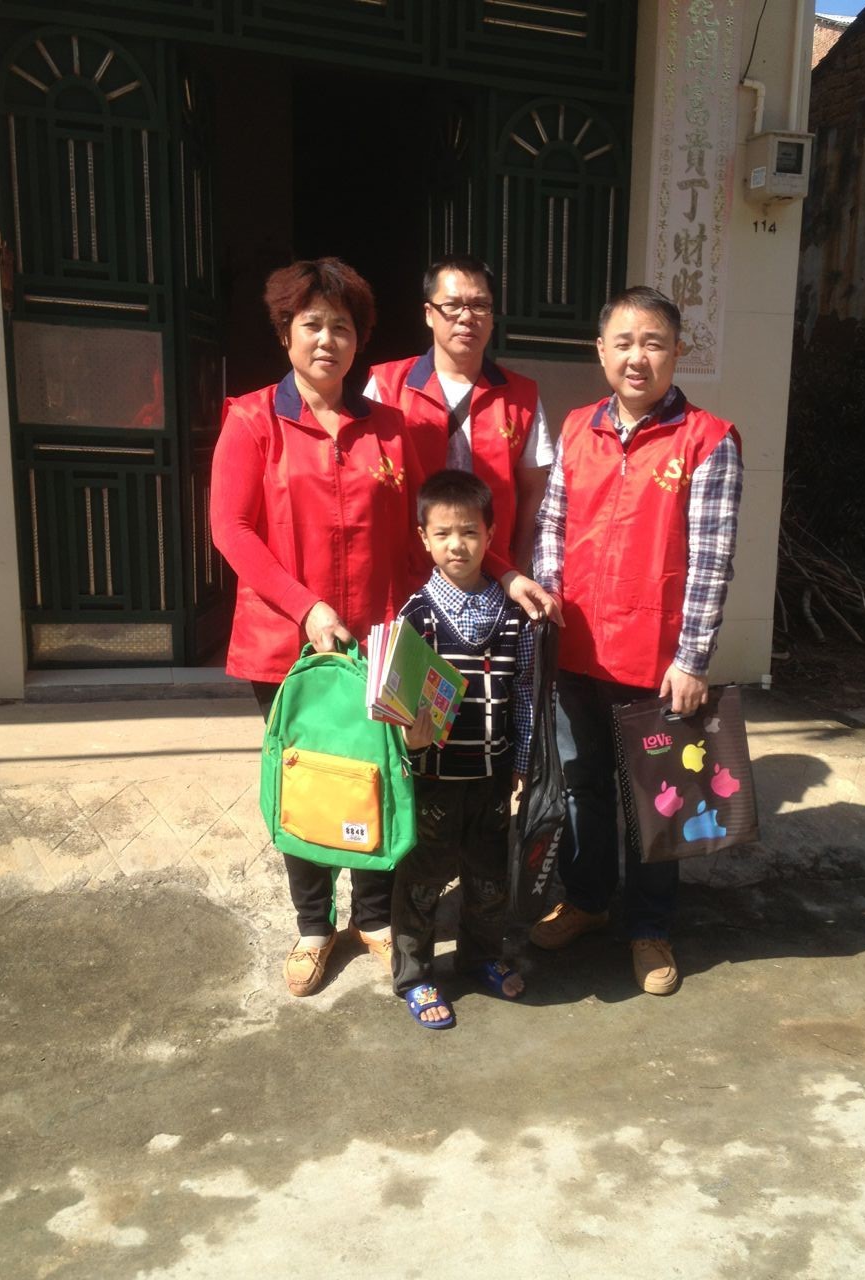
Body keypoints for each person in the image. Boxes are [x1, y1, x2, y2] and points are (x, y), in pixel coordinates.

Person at [210, 257, 426, 998]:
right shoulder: (252, 420)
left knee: (377, 775)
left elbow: (417, 535)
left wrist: (442, 608)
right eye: (312, 325)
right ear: (286, 334)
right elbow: (232, 529)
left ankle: (374, 915)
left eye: (342, 327)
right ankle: (312, 926)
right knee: (305, 781)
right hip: (286, 647)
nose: (327, 340)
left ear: (359, 340)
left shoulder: (389, 428)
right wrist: (305, 607)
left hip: (377, 643)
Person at [530, 286, 743, 995]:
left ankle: (649, 927)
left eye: (653, 343)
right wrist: (547, 595)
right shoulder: (577, 428)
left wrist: (693, 659)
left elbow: (712, 560)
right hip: (578, 650)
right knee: (583, 785)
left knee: (657, 798)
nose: (636, 357)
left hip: (655, 661)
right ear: (600, 352)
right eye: (622, 343)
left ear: (678, 351)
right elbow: (553, 524)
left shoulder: (707, 439)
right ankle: (587, 900)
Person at [391, 469, 534, 1029]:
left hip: (492, 778)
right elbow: (395, 703)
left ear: (490, 535)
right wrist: (408, 737)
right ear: (423, 538)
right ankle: (415, 975)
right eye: (444, 533)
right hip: (433, 779)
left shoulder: (512, 615)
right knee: (423, 880)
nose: (458, 545)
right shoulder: (416, 617)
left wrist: (521, 758)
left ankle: (480, 958)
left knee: (488, 875)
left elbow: (524, 691)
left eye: (471, 532)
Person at [365, 254, 553, 572]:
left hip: (491, 577)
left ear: (491, 316)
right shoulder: (386, 387)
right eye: (452, 305)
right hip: (407, 574)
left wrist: (516, 568)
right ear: (429, 313)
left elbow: (535, 491)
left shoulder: (521, 397)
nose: (466, 317)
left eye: (479, 305)